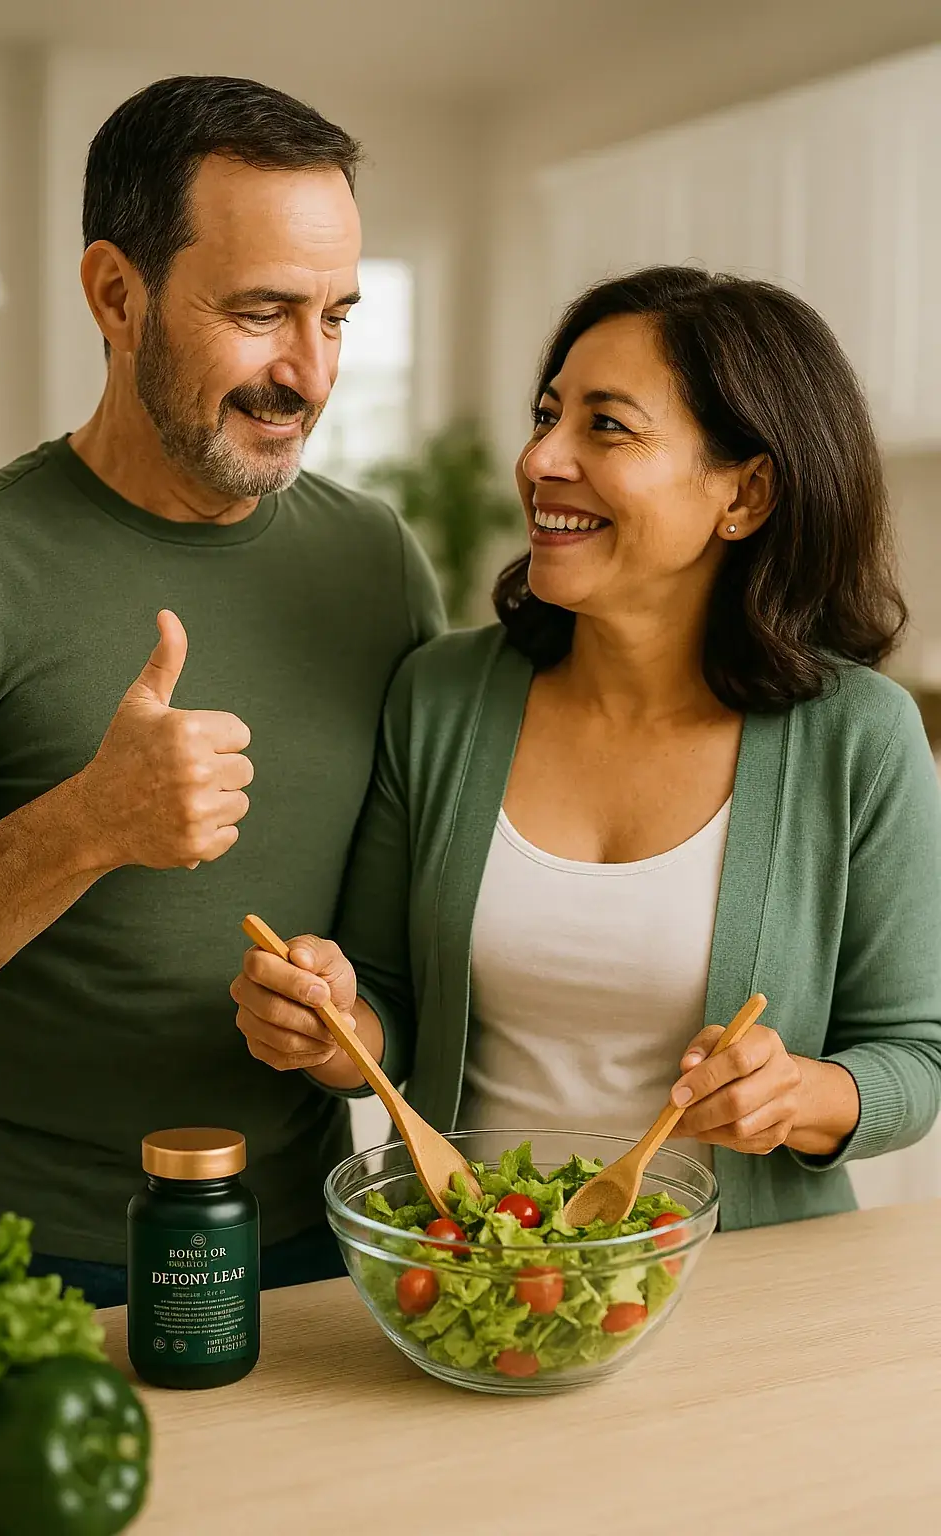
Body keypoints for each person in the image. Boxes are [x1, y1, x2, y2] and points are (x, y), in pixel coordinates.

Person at [234, 266, 941, 1229]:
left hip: (747, 1295)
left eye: (607, 425)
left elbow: (916, 1056)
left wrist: (802, 1096)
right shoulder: (442, 698)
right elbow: (391, 1008)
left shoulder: (859, 734)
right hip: (477, 1278)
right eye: (546, 414)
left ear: (748, 491)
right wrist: (330, 1031)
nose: (540, 460)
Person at [0, 76, 444, 1304]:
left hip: (310, 1251)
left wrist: (344, 1031)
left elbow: (411, 948)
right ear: (117, 293)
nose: (308, 375)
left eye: (336, 317)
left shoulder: (377, 564)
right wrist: (90, 824)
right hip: (19, 1256)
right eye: (262, 312)